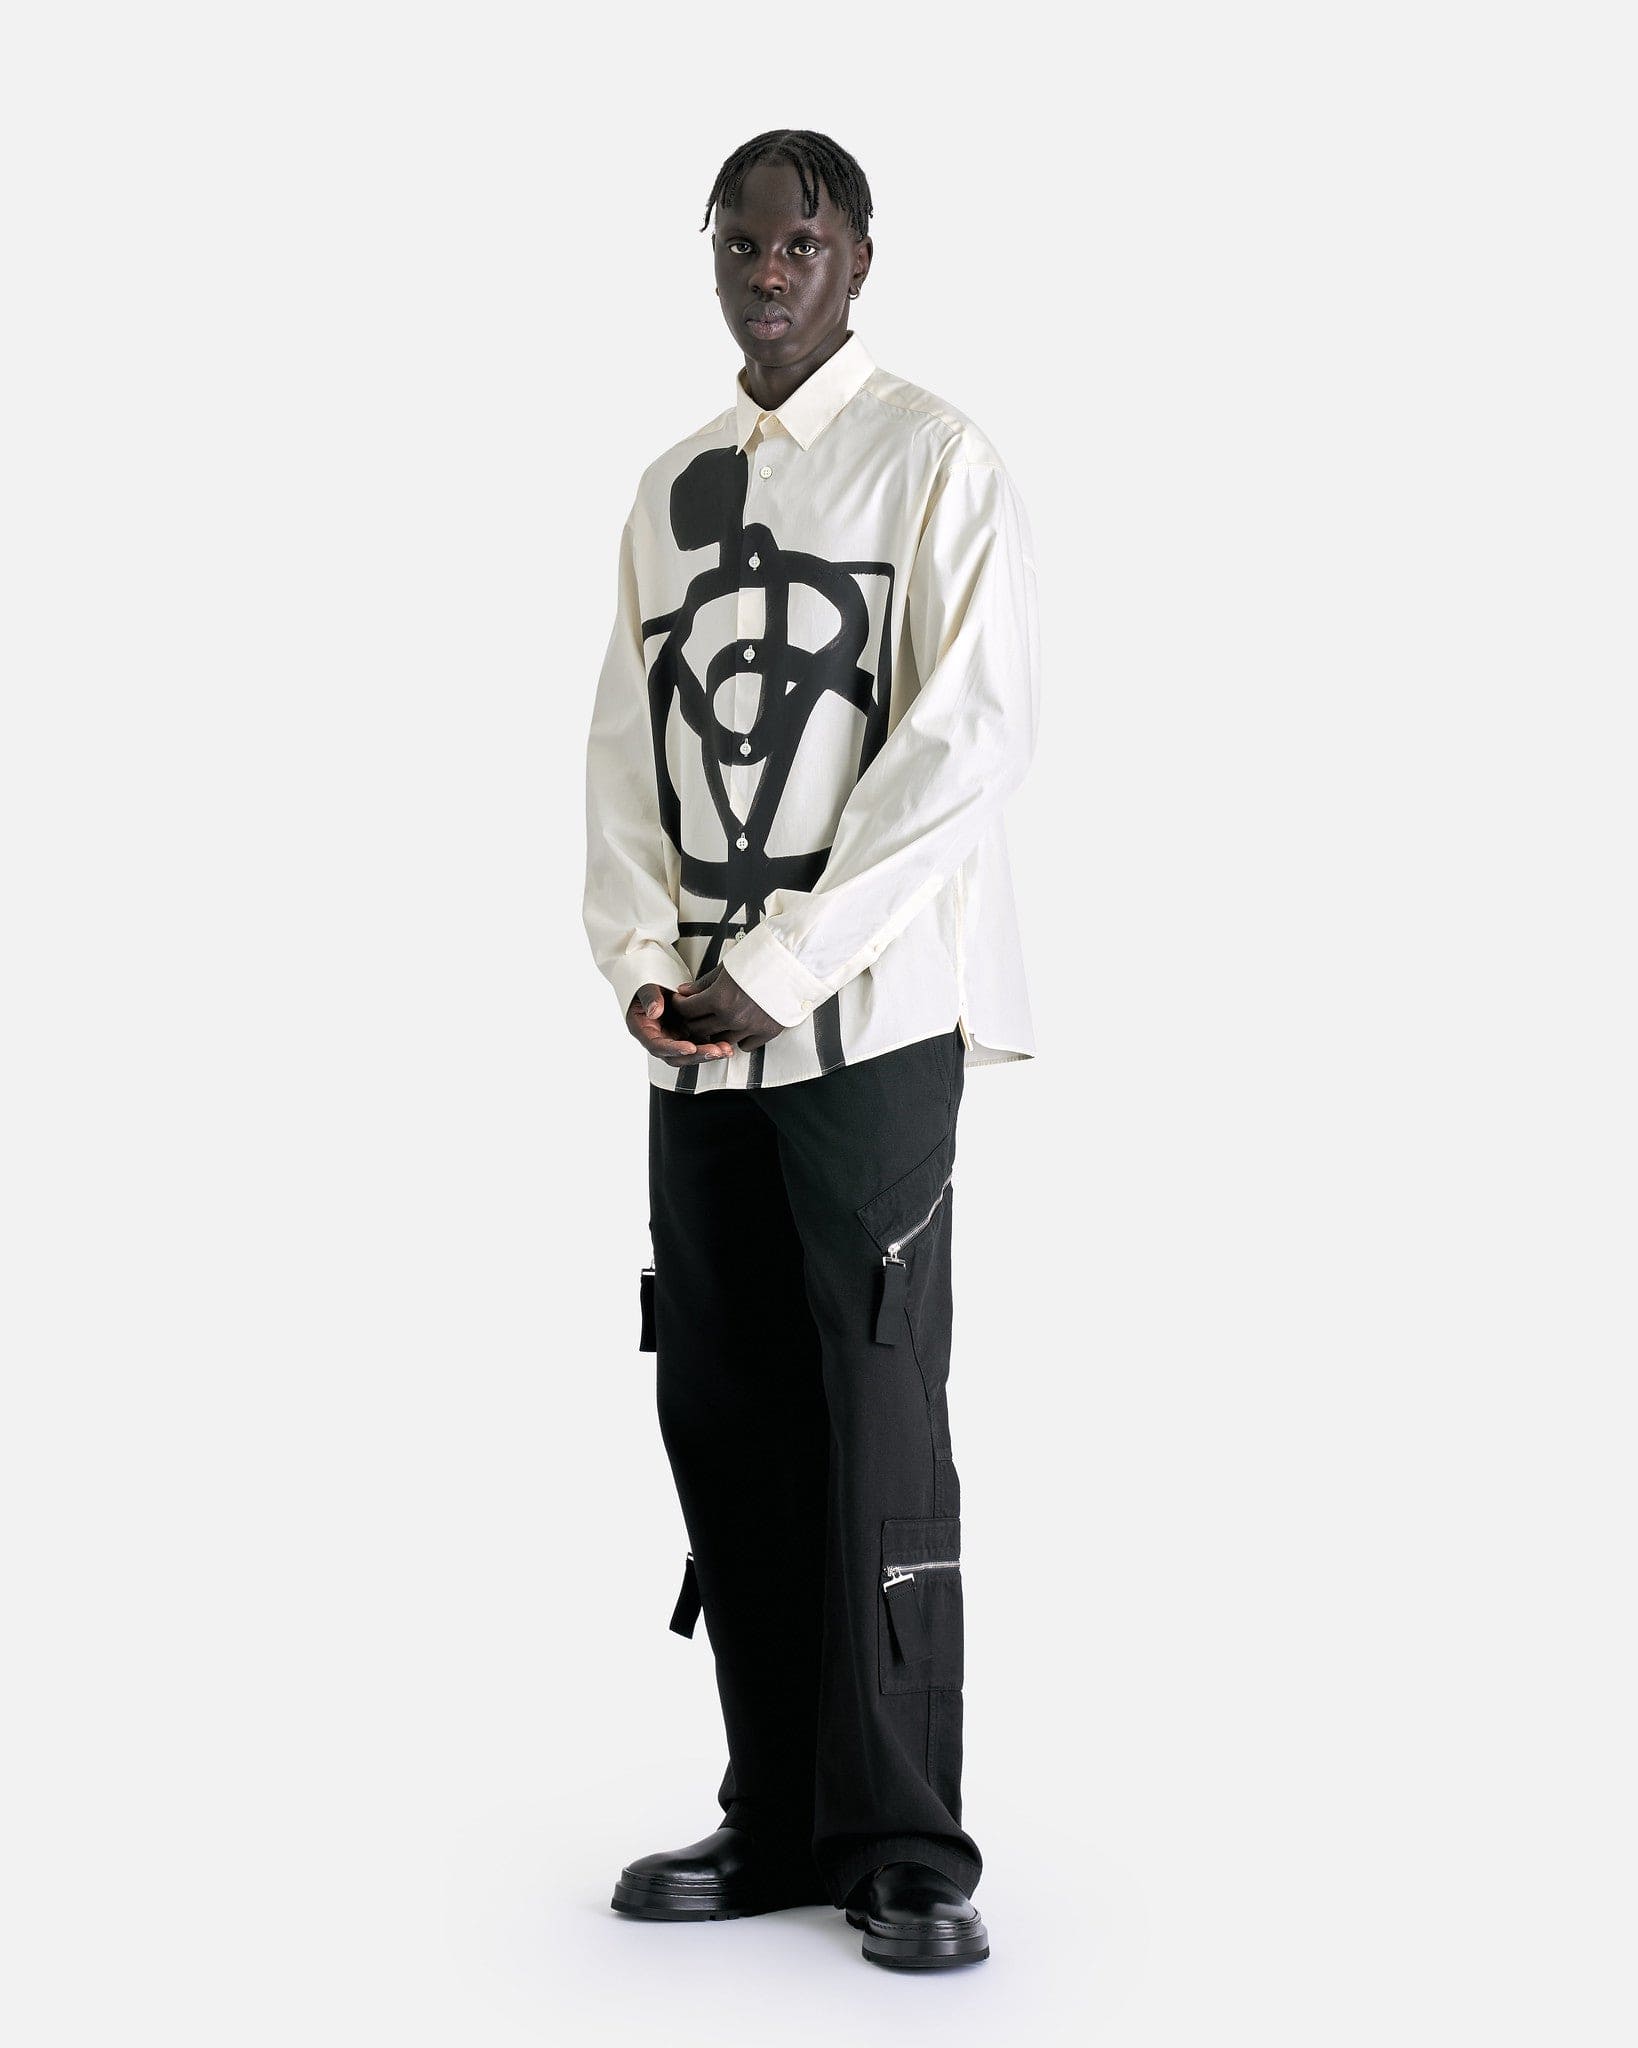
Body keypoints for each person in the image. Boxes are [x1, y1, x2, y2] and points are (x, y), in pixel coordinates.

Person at [580, 128, 1040, 1973]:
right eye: (742, 241)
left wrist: (788, 960)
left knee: (873, 1415)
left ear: (857, 259)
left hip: (866, 1016)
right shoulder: (668, 490)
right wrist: (643, 959)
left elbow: (963, 739)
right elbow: (625, 746)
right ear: (713, 255)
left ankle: (907, 1843)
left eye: (803, 241)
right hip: (699, 1034)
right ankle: (773, 1812)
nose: (768, 270)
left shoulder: (932, 458)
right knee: (723, 1403)